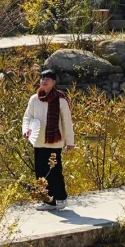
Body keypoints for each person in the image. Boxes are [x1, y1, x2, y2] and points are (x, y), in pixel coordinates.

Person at [22, 69, 75, 207]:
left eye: (48, 79)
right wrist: (26, 130)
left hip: (55, 142)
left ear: (54, 82)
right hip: (38, 141)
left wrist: (70, 142)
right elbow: (27, 117)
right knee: (40, 173)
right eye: (43, 78)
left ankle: (61, 199)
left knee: (55, 172)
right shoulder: (34, 99)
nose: (44, 81)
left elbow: (67, 122)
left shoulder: (61, 100)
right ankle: (48, 201)